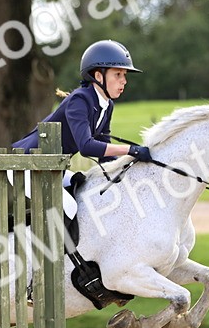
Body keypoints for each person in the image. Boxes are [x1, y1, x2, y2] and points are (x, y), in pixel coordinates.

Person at [11, 39, 152, 217]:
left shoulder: (107, 106)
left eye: (125, 75)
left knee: (87, 190)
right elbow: (86, 146)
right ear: (98, 76)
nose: (124, 81)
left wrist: (124, 173)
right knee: (69, 208)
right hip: (26, 165)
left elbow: (104, 154)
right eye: (118, 75)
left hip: (52, 168)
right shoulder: (80, 99)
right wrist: (131, 150)